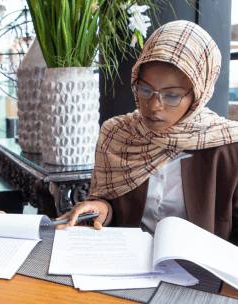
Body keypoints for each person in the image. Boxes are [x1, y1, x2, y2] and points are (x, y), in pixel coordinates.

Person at [56, 20, 238, 246]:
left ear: (199, 93)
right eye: (144, 89)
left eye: (171, 95)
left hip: (201, 273)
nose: (153, 106)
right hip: (126, 262)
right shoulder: (117, 134)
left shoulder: (228, 145)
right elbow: (107, 203)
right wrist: (101, 208)